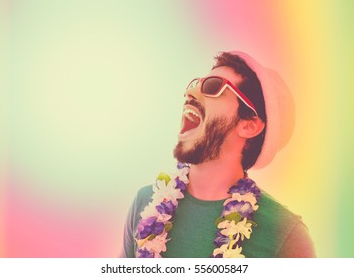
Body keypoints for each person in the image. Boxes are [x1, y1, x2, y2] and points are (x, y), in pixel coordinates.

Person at [121, 51, 315, 258]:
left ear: (249, 126)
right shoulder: (145, 203)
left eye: (212, 86)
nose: (191, 92)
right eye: (195, 83)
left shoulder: (285, 235)